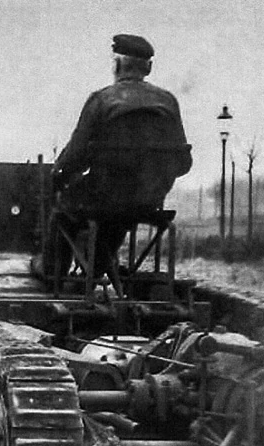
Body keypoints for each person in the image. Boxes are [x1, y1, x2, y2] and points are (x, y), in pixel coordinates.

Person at [45, 34, 192, 278]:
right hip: (149, 200)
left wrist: (60, 174)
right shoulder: (168, 102)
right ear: (148, 67)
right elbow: (183, 163)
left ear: (117, 65)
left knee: (64, 209)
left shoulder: (102, 100)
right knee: (119, 213)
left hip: (104, 195)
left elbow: (75, 154)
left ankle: (54, 276)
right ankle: (96, 268)